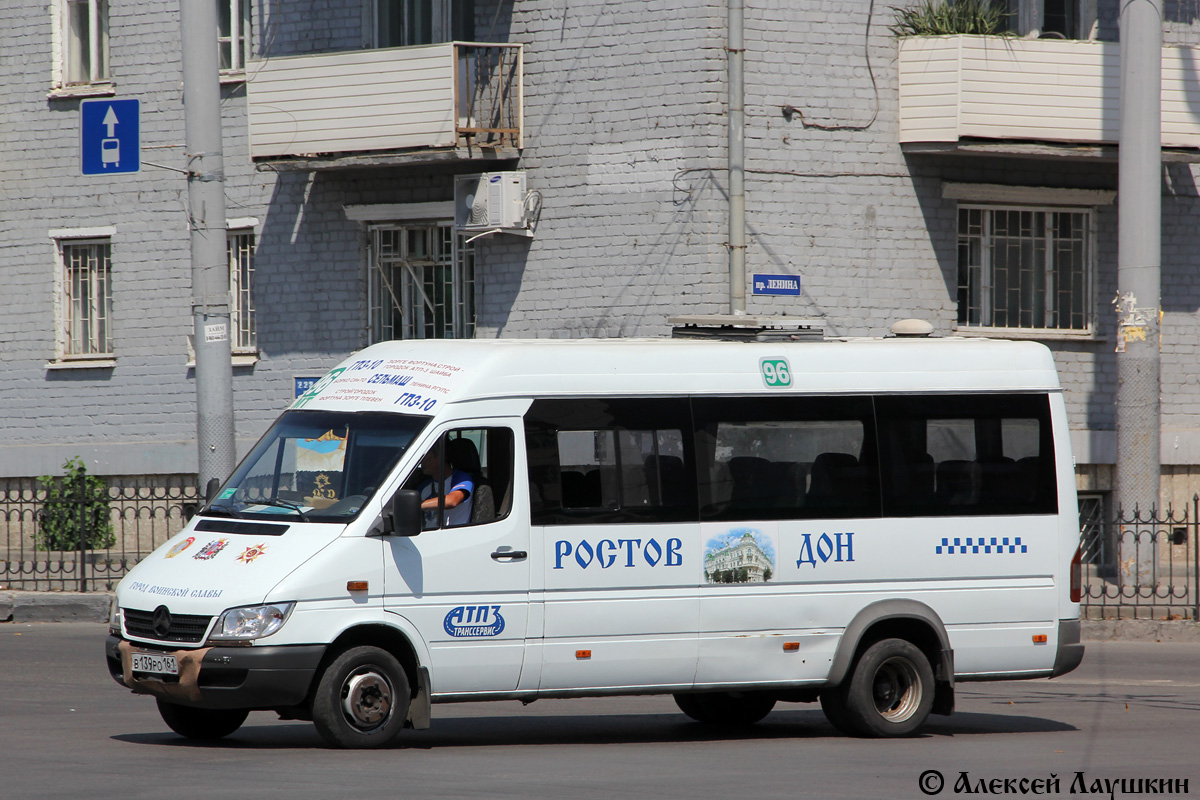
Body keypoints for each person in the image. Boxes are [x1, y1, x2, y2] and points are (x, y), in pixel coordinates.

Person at [417, 439, 474, 528]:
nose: (422, 463)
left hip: (453, 536)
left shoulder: (460, 478)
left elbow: (451, 501)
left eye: (427, 459)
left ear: (440, 458)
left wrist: (418, 505)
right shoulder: (424, 487)